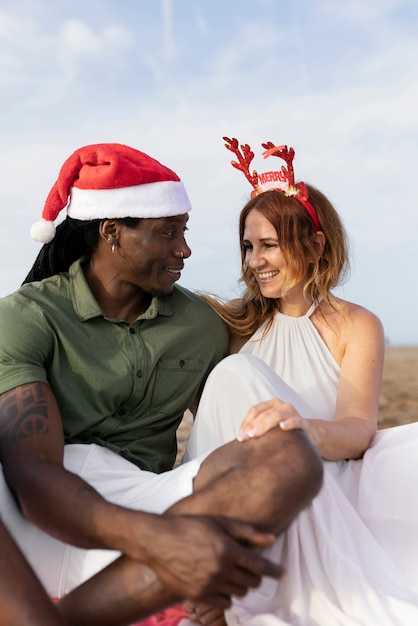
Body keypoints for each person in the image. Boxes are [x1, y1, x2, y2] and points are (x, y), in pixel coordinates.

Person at [0, 143, 323, 626]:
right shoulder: (28, 316)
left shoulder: (201, 324)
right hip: (33, 521)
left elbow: (237, 402)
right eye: (167, 232)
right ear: (112, 233)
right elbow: (33, 479)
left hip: (149, 502)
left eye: (184, 232)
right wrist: (161, 540)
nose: (185, 249)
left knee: (290, 458)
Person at [183, 138, 418, 625]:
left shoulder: (357, 325)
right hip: (230, 478)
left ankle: (237, 584)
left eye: (268, 245)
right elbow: (208, 409)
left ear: (315, 243)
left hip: (313, 479)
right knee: (234, 373)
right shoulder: (236, 325)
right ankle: (203, 562)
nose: (254, 261)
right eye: (248, 247)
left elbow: (357, 429)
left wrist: (302, 428)